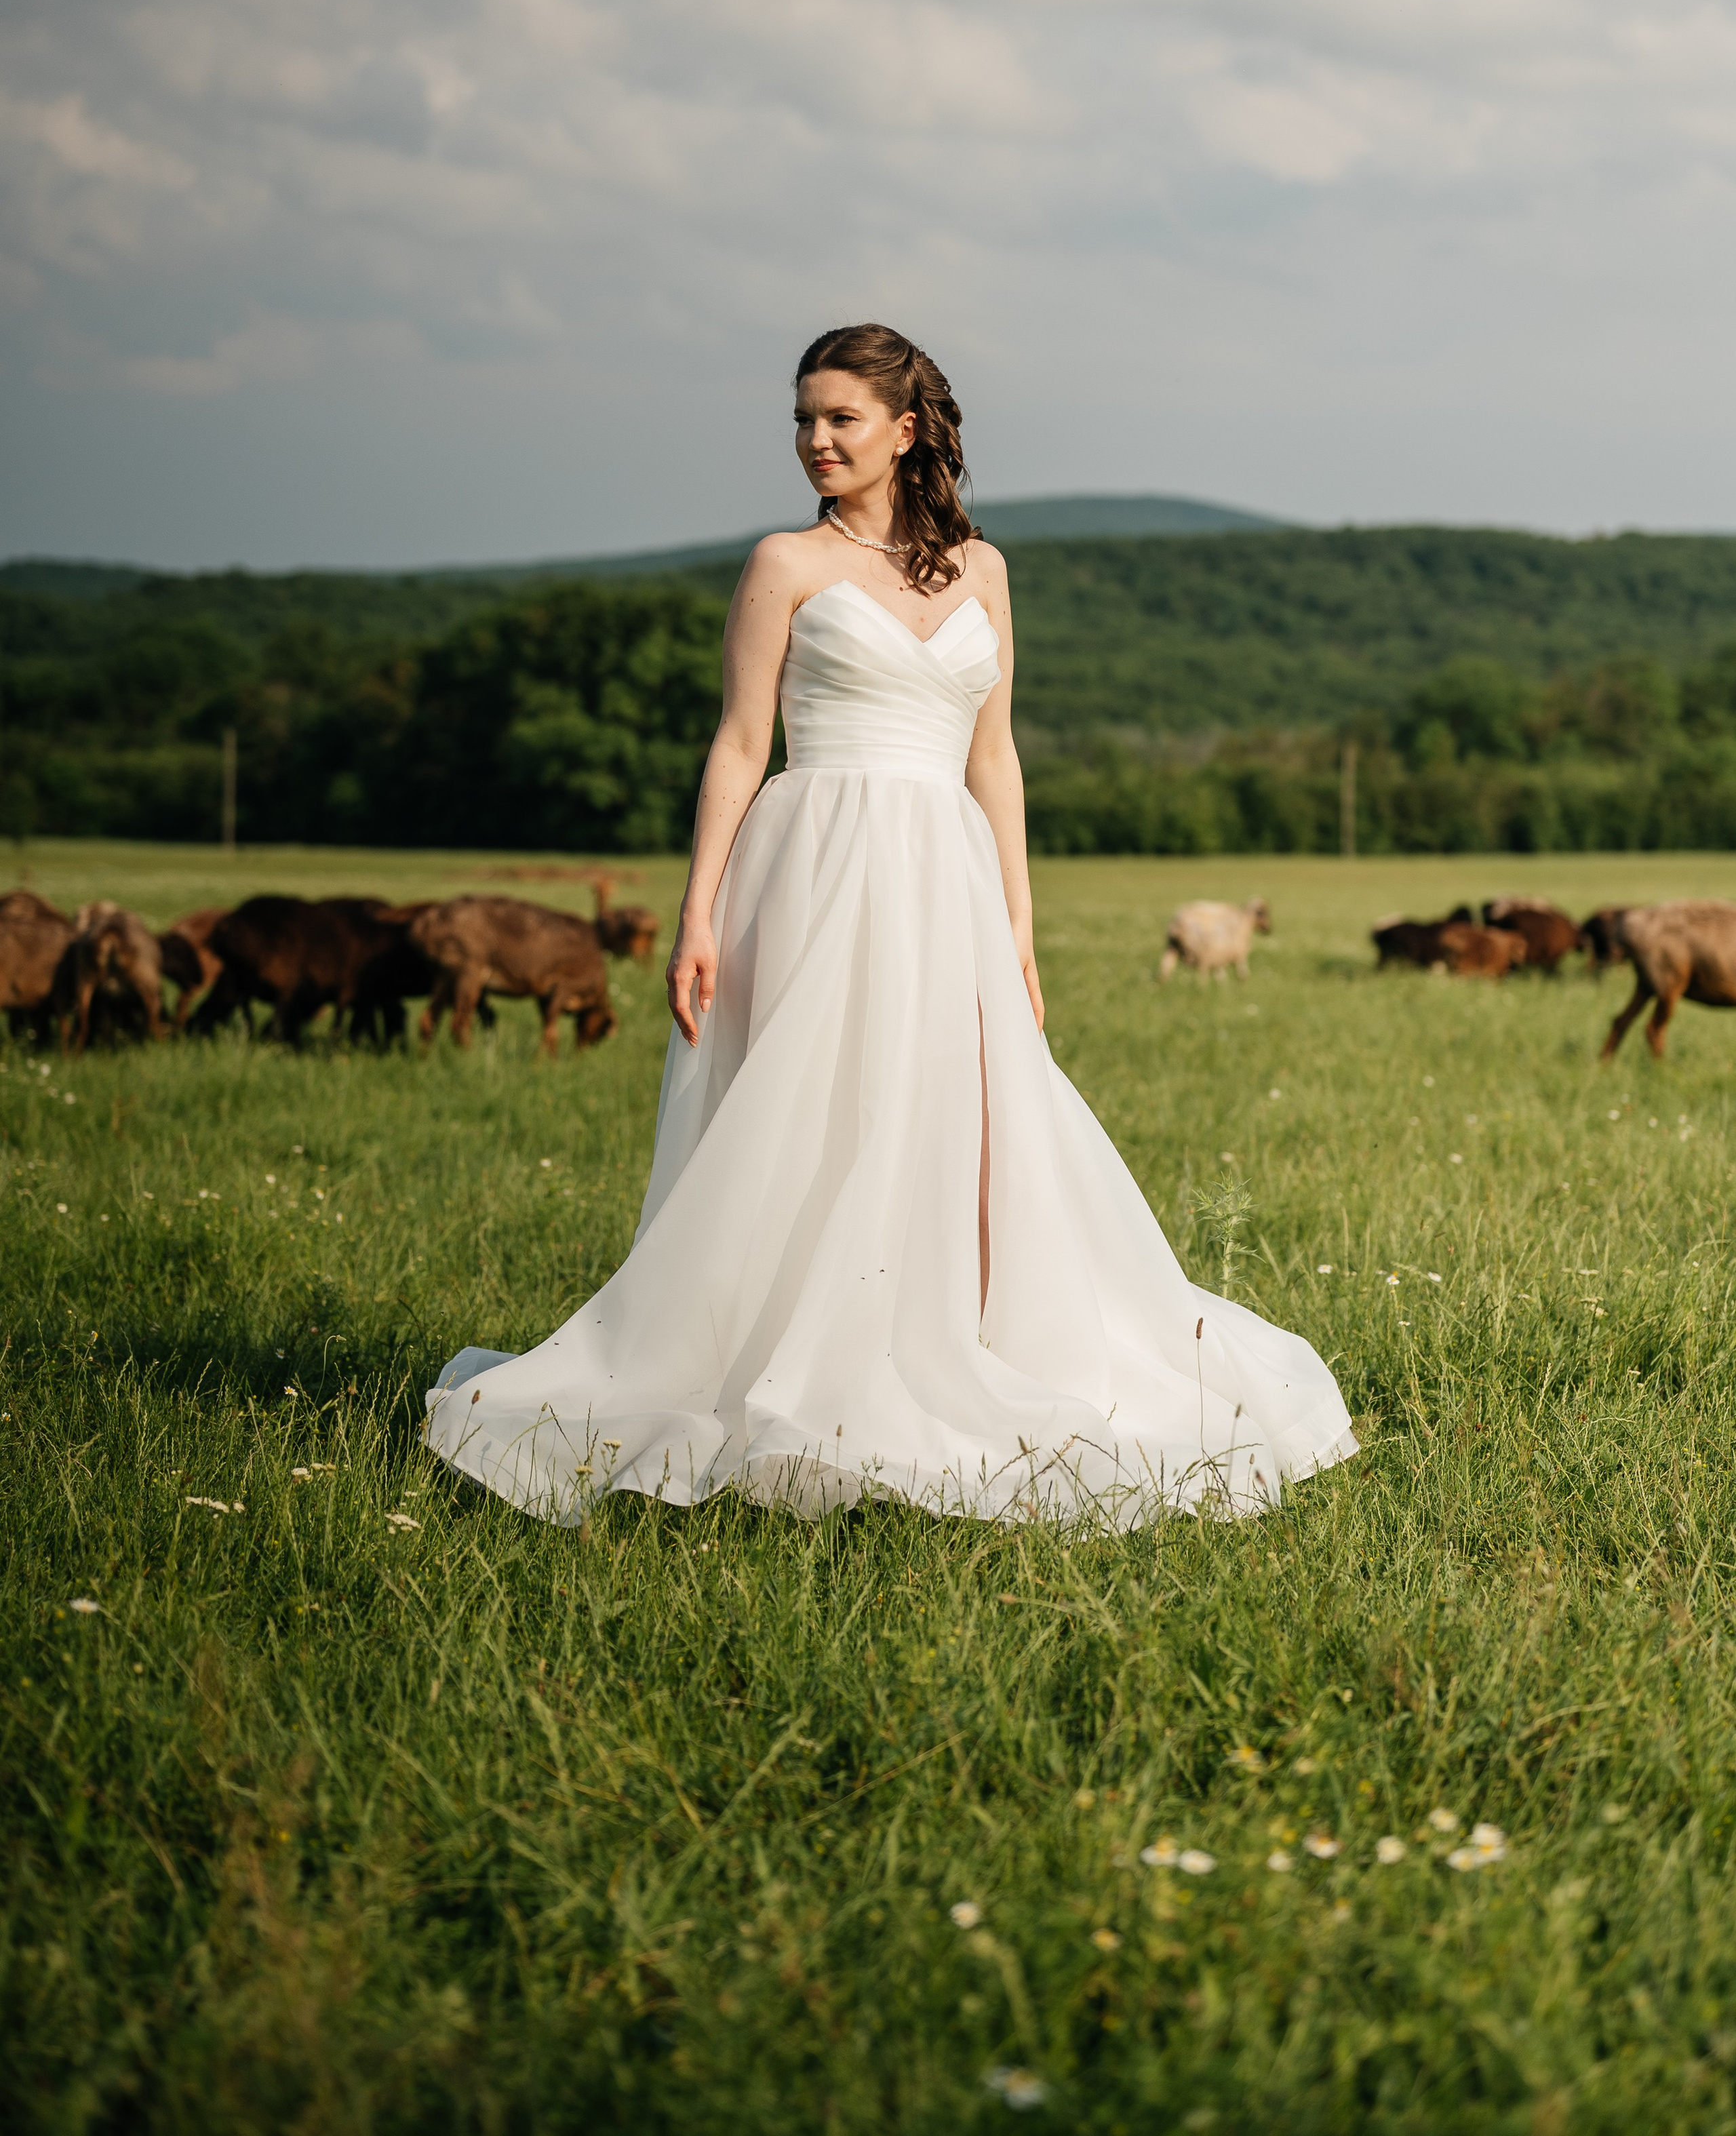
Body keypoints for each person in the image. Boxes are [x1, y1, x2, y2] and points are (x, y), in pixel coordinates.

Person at [426, 324, 1356, 1525]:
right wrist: (698, 909)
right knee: (814, 1113)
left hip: (948, 876)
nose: (815, 441)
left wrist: (1019, 928)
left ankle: (949, 1342)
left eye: (840, 419)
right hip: (815, 861)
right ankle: (788, 1365)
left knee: (957, 1116)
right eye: (803, 421)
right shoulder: (783, 565)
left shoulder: (985, 571)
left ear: (906, 430)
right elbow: (740, 745)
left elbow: (998, 758)